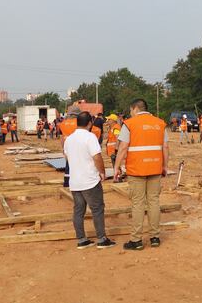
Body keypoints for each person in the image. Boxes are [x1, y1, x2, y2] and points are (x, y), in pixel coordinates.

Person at [113, 98, 168, 250]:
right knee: (154, 202)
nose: (130, 113)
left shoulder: (130, 124)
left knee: (138, 204)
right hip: (155, 168)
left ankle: (136, 240)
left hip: (136, 170)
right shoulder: (160, 123)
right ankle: (155, 237)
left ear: (135, 108)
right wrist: (165, 166)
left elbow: (123, 148)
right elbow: (165, 147)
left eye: (131, 110)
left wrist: (116, 167)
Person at [64, 111, 117, 250]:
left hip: (75, 182)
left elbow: (67, 158)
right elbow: (97, 157)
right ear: (89, 123)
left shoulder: (69, 139)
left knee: (78, 210)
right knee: (97, 209)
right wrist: (102, 172)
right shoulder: (90, 137)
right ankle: (101, 238)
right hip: (90, 181)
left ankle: (81, 239)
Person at [59, 113, 79, 187]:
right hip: (77, 147)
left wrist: (63, 149)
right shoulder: (79, 122)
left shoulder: (63, 124)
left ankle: (67, 183)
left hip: (67, 146)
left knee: (68, 165)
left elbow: (61, 137)